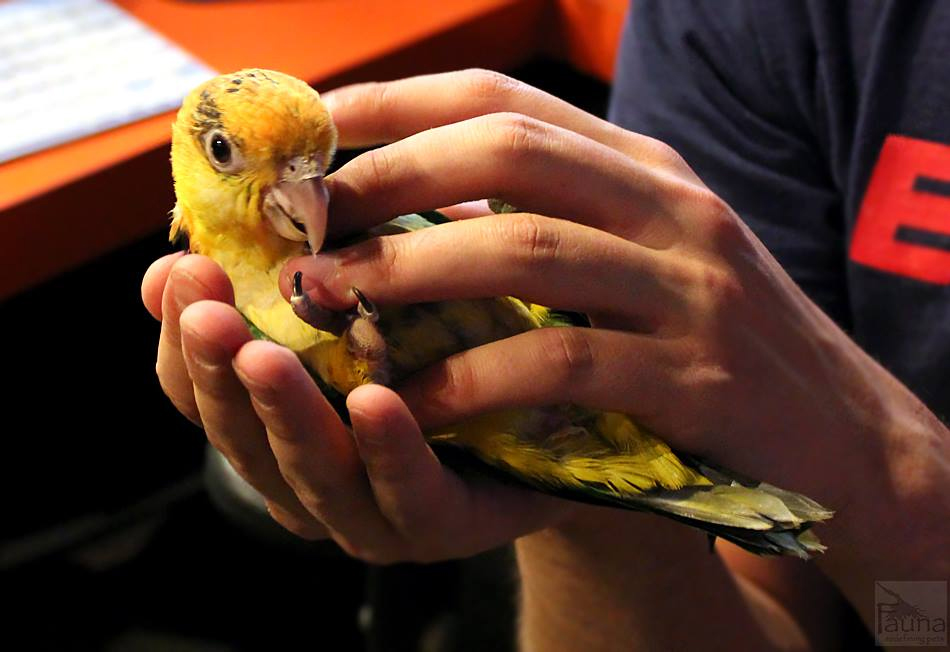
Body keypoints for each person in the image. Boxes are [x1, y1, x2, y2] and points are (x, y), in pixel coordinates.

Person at [142, 1, 949, 648]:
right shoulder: (748, 24)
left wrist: (886, 475)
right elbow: (821, 615)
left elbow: (907, 618)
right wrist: (596, 518)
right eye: (226, 155)